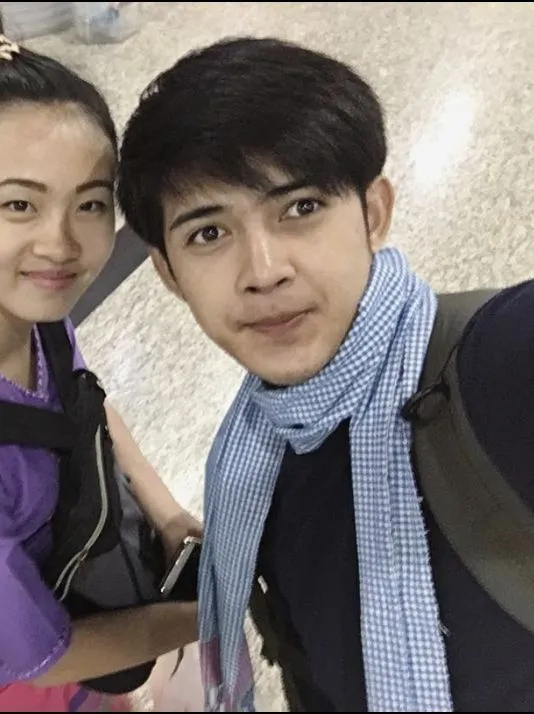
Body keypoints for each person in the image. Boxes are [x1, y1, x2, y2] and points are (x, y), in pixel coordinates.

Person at [117, 36, 534, 713]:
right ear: (168, 273)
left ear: (374, 213)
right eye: (208, 233)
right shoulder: (256, 454)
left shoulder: (493, 369)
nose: (263, 272)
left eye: (301, 208)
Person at [0, 30, 201, 713]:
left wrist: (167, 512)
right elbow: (45, 656)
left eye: (89, 203)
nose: (60, 245)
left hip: (83, 590)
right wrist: (207, 615)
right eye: (18, 204)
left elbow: (81, 405)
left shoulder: (34, 315)